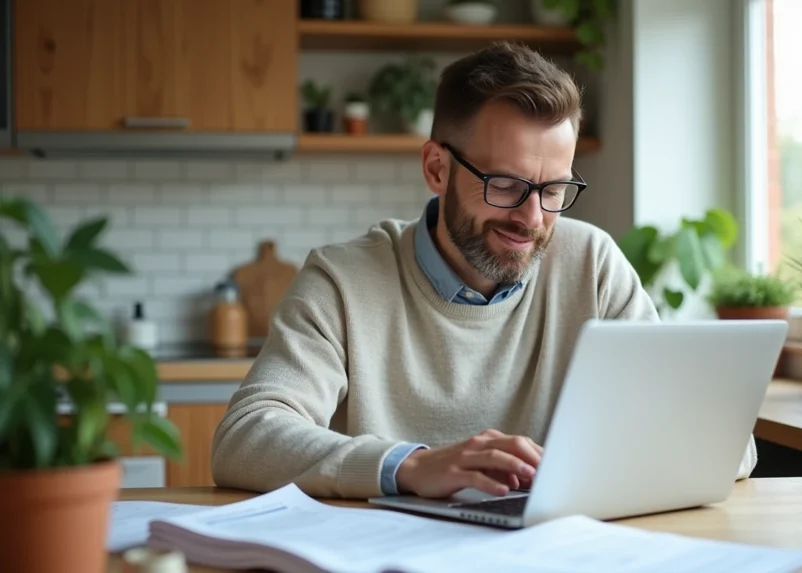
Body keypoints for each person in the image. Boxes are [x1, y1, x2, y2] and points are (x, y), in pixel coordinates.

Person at [211, 41, 757, 500]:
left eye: (553, 190)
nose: (532, 217)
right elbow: (244, 438)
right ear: (436, 169)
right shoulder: (342, 281)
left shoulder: (591, 266)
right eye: (506, 185)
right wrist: (409, 466)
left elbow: (725, 444)